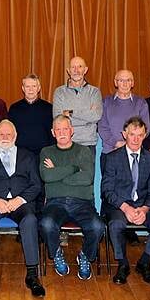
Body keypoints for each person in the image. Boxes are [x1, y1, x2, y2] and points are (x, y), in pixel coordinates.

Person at [0, 120, 45, 297]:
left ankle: (32, 275)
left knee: (30, 220)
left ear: (15, 136)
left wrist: (20, 200)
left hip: (21, 203)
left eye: (9, 134)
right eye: (1, 134)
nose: (5, 137)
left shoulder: (28, 156)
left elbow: (36, 185)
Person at [101, 117, 150, 285]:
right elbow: (107, 191)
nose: (136, 139)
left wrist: (144, 209)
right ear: (125, 135)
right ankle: (123, 264)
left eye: (140, 135)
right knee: (115, 224)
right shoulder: (112, 158)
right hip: (119, 205)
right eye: (132, 134)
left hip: (144, 205)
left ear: (145, 135)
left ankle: (144, 263)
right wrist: (126, 208)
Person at [39, 115, 105, 280]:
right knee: (46, 224)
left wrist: (58, 173)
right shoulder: (46, 151)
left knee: (97, 227)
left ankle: (85, 256)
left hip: (82, 203)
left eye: (65, 129)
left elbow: (87, 178)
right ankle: (56, 254)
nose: (62, 133)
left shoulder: (84, 151)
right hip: (56, 203)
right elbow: (47, 176)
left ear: (72, 131)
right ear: (53, 132)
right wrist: (75, 168)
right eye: (58, 130)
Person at [52, 56, 103, 154]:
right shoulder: (59, 92)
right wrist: (87, 120)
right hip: (66, 144)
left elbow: (96, 116)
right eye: (73, 67)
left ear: (85, 70)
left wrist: (70, 113)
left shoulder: (94, 92)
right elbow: (58, 119)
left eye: (80, 66)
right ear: (68, 70)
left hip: (89, 144)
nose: (76, 70)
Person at [98, 69, 149, 156]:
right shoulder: (105, 102)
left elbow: (146, 129)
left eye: (128, 80)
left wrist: (130, 144)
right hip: (110, 151)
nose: (125, 84)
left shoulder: (141, 103)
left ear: (132, 83)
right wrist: (116, 143)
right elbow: (102, 127)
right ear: (115, 82)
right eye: (121, 80)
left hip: (134, 153)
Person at [8, 74, 55, 156]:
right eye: (27, 86)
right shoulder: (14, 108)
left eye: (34, 86)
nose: (30, 90)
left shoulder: (48, 108)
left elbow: (52, 134)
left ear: (39, 88)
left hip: (43, 154)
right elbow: (10, 133)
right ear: (23, 88)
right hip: (20, 155)